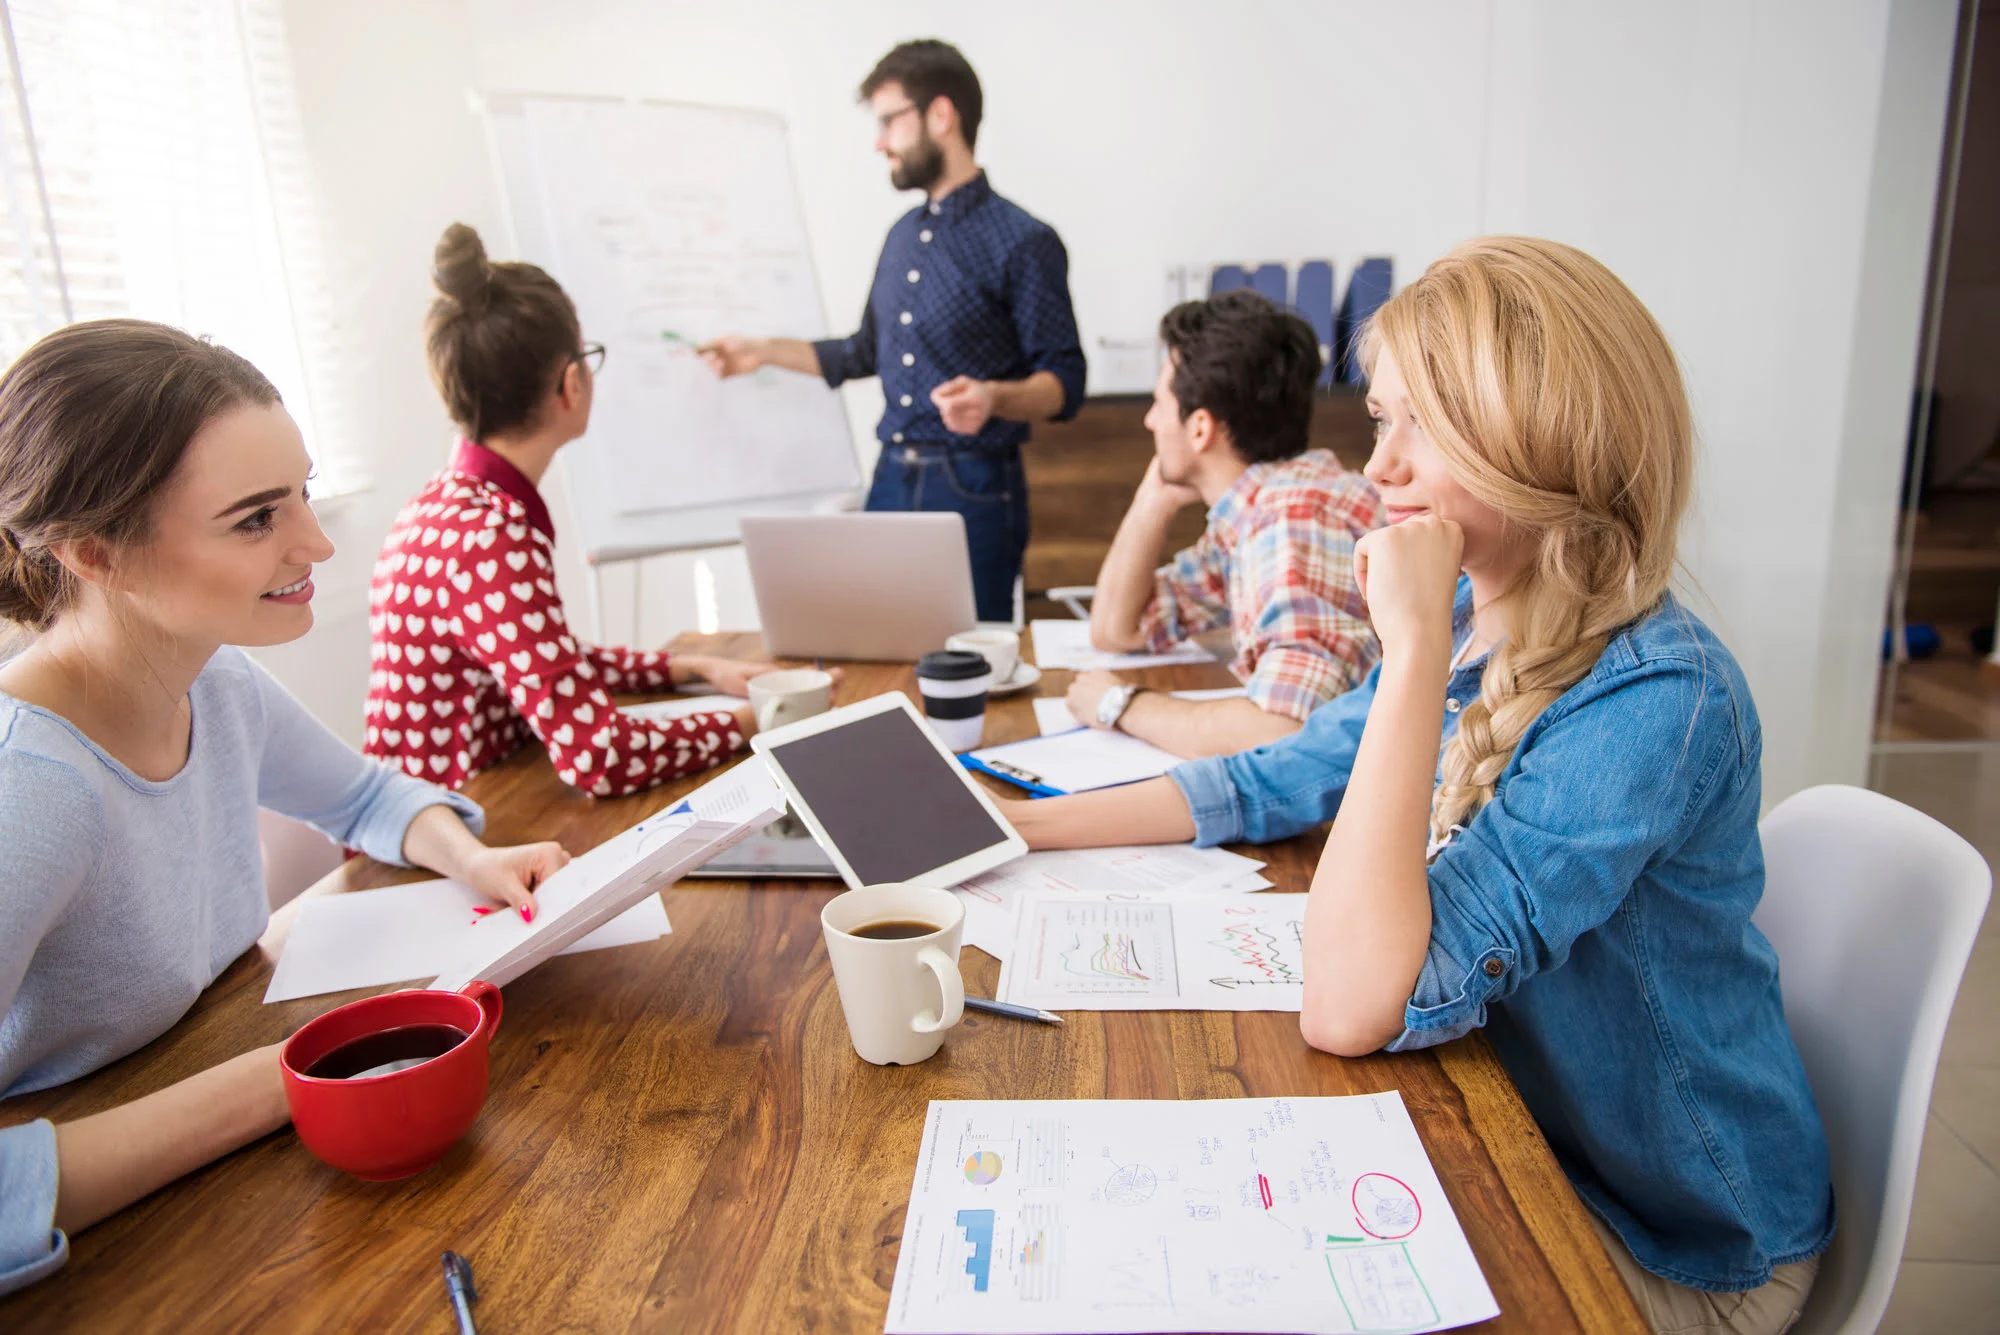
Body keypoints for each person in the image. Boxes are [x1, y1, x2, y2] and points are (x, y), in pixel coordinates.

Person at [1007, 238, 1834, 1334]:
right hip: (1531, 1140)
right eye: (1378, 420)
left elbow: (1354, 1004)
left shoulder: (1656, 703)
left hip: (1680, 1245)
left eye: (1414, 427)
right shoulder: (1470, 619)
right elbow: (1275, 778)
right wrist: (1014, 828)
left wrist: (1402, 658)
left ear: (1531, 448)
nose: (1372, 470)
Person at [0, 319, 571, 1294]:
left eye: (303, 493)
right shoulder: (30, 794)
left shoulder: (214, 682)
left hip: (235, 1169)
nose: (314, 543)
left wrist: (469, 859)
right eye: (256, 518)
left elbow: (363, 793)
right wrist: (284, 1080)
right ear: (93, 553)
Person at [367, 223, 789, 798]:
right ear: (572, 382)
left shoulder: (442, 507)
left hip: (456, 810)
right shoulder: (491, 535)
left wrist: (695, 668)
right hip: (458, 831)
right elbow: (600, 756)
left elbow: (542, 658)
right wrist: (767, 718)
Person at [699, 39, 1086, 623]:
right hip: (890, 478)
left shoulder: (1024, 239)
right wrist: (760, 351)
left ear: (940, 115)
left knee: (966, 660)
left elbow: (1065, 380)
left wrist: (994, 398)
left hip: (973, 484)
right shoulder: (902, 235)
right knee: (879, 647)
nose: (879, 143)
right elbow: (863, 353)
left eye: (888, 122)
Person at [1067, 290, 1383, 758]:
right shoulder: (1257, 514)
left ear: (1199, 428)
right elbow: (1118, 630)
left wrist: (1120, 704)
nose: (1150, 420)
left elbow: (1286, 733)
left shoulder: (1292, 521)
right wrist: (1152, 499)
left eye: (1158, 403)